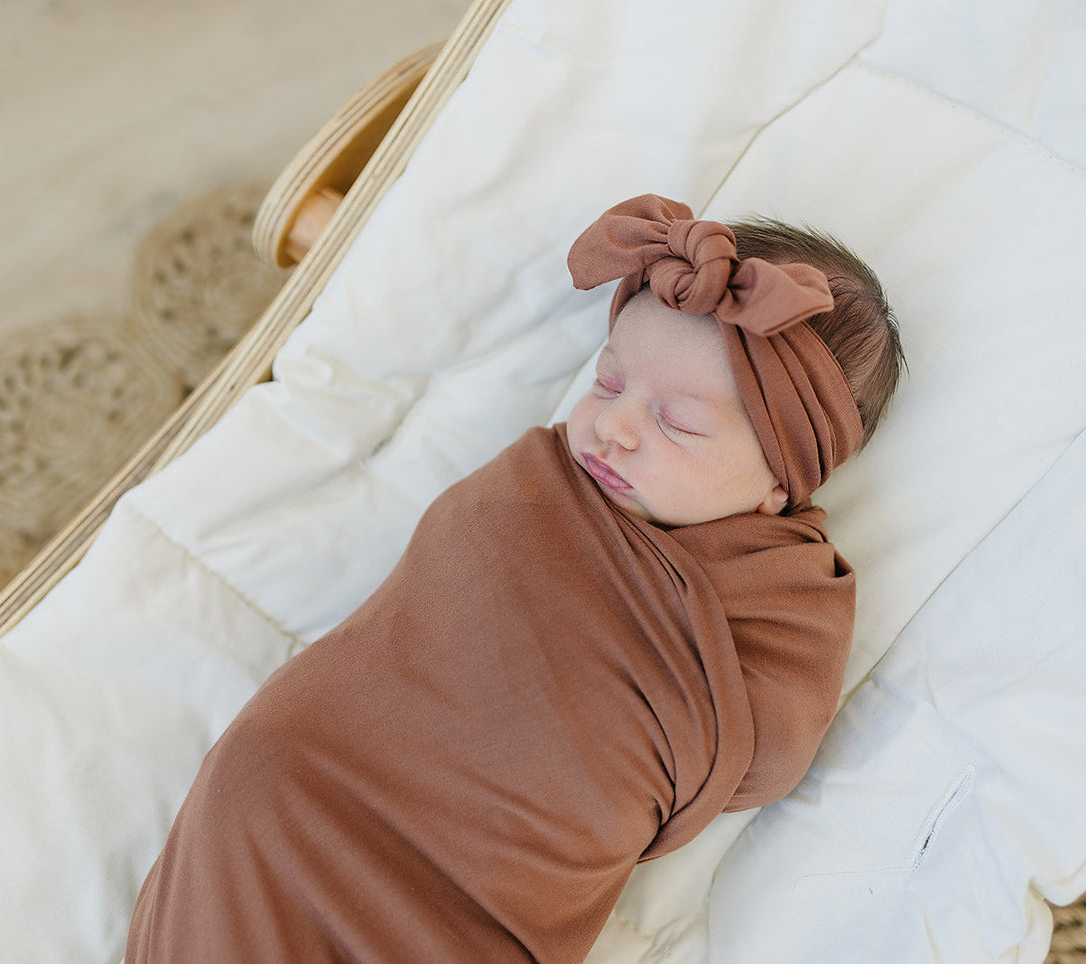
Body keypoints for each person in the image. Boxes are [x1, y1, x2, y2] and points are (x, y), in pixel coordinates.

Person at [126, 194, 904, 962]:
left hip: (476, 894)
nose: (616, 425)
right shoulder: (533, 490)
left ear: (780, 481)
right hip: (299, 785)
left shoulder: (788, 594)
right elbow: (443, 580)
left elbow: (763, 757)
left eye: (678, 422)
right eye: (607, 382)